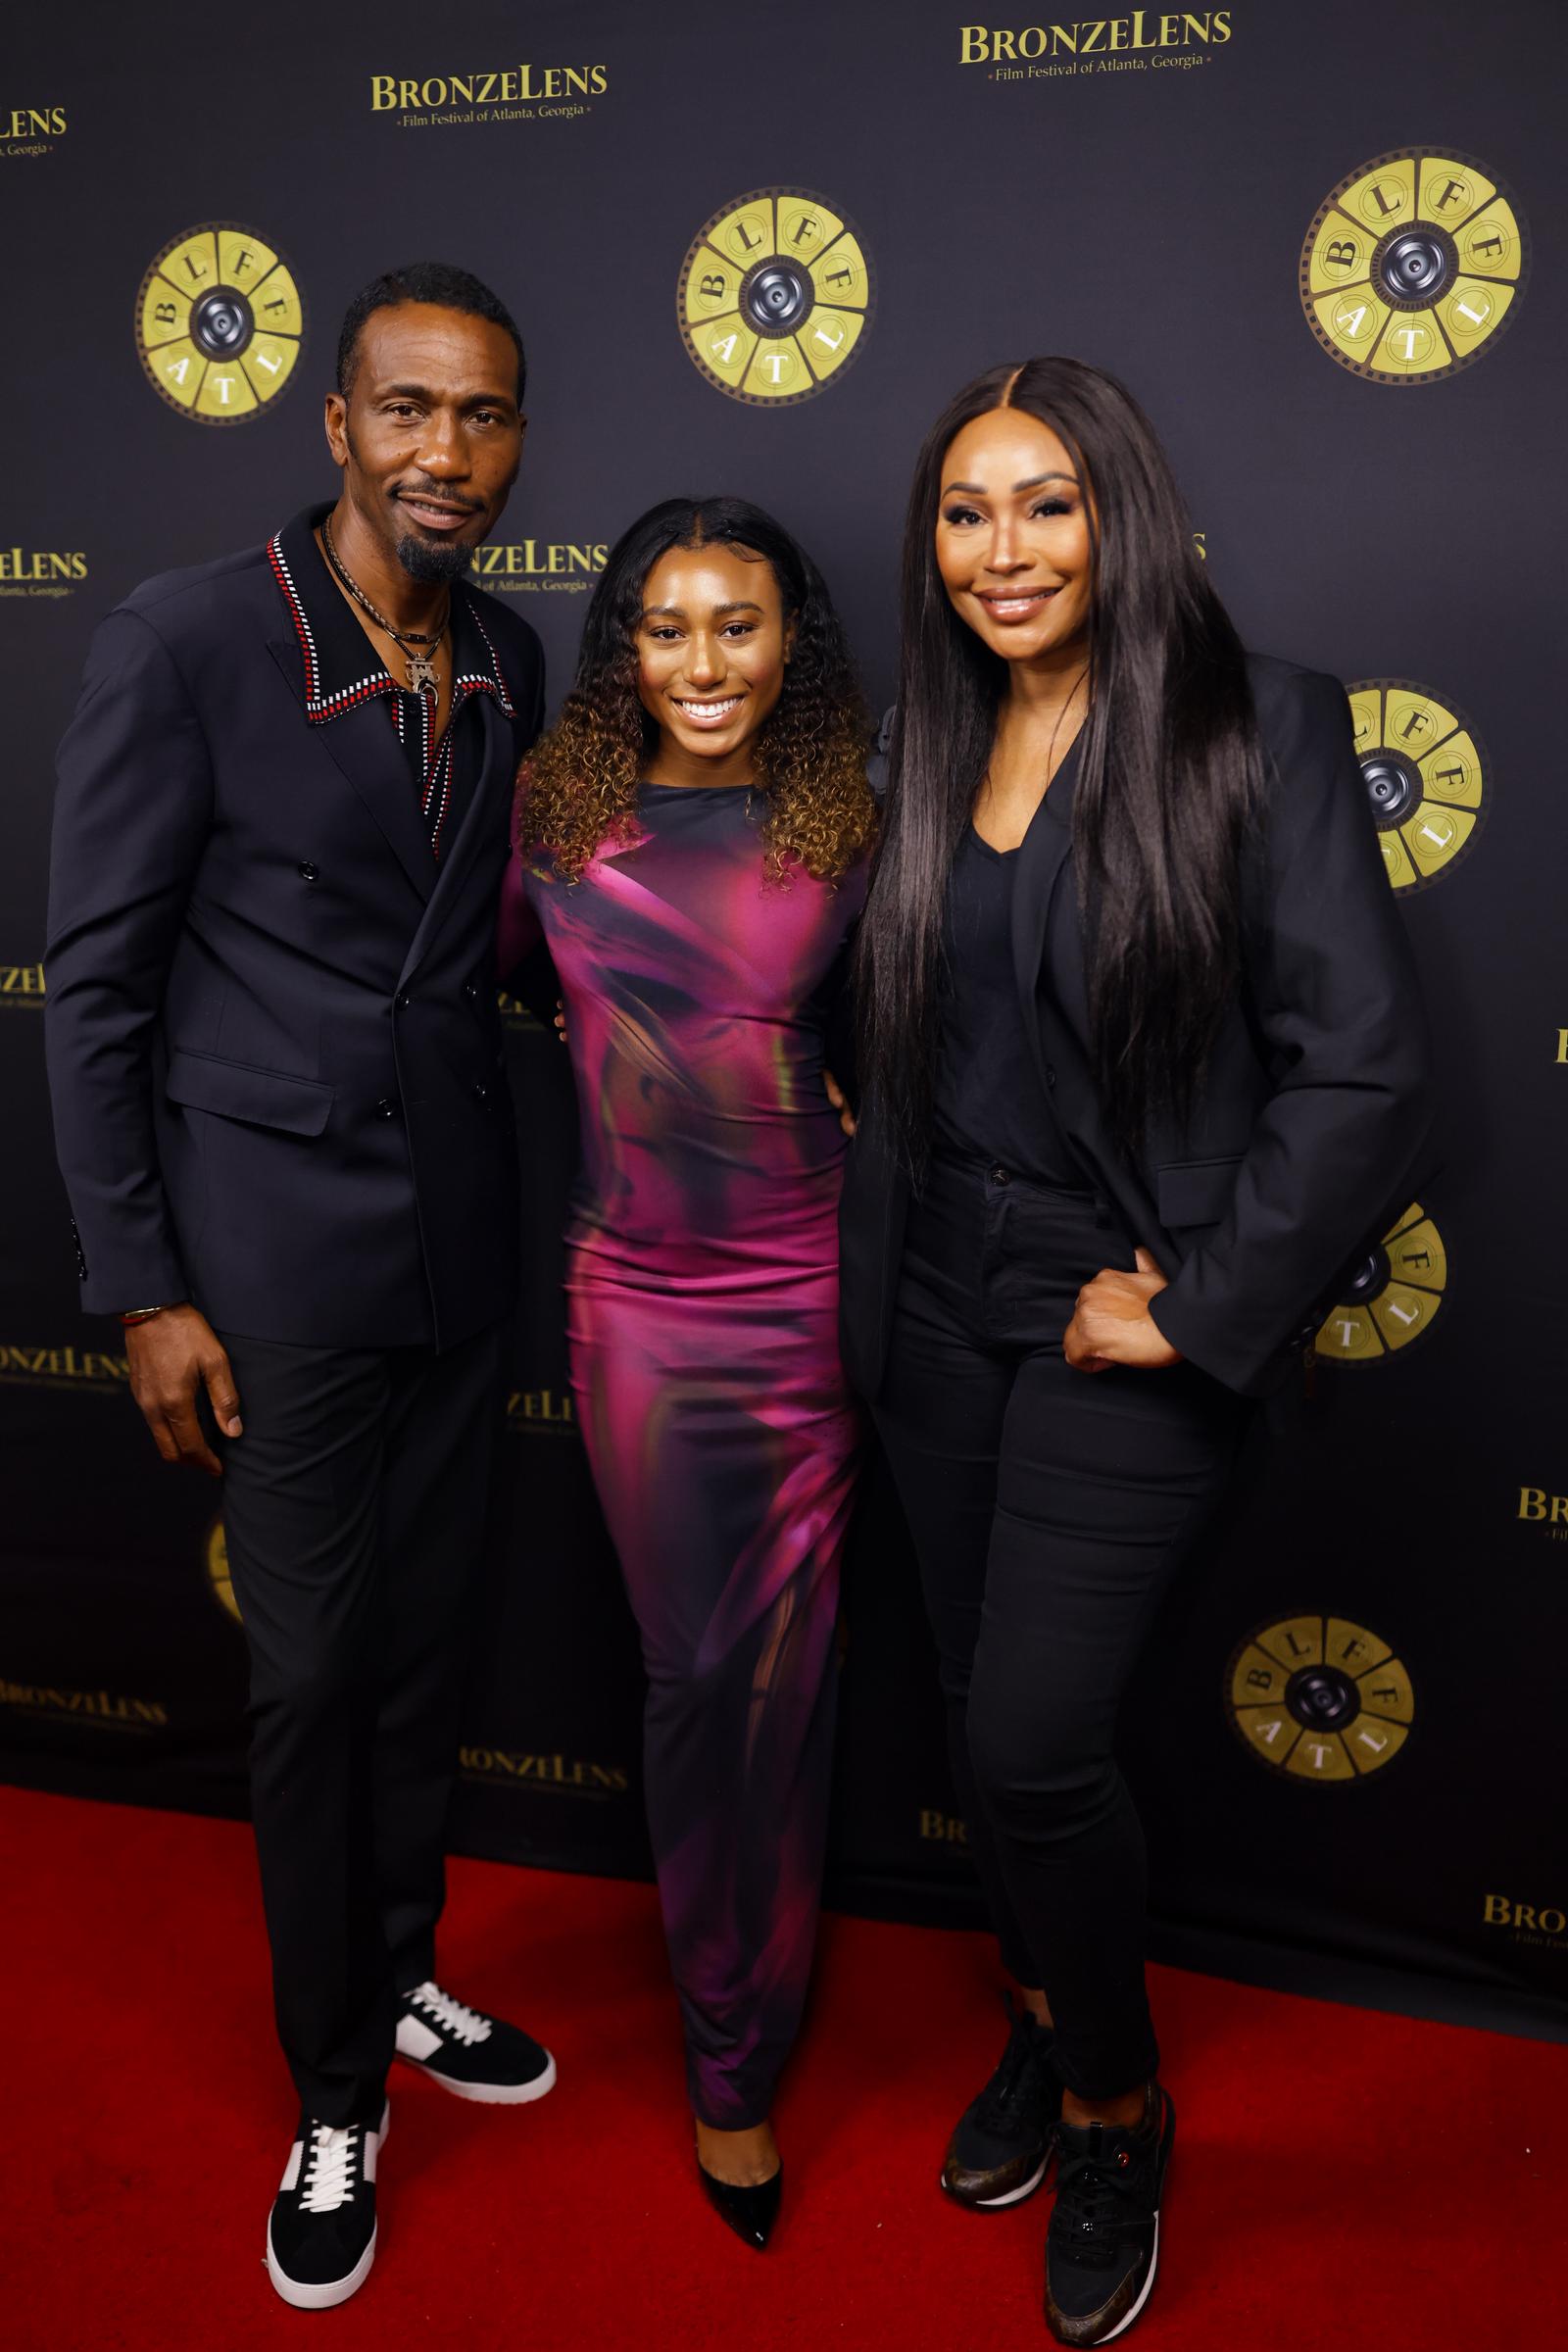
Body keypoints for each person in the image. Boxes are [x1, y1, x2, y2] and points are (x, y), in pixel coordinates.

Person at [842, 358, 1430, 2344]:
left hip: (1115, 1315)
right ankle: (1037, 2015)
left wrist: (1191, 1300)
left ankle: (1112, 2103)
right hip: (927, 1290)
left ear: (1117, 512)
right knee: (956, 1705)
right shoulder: (928, 739)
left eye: (1041, 505)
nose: (998, 551)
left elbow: (1357, 1077)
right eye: (960, 512)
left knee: (1027, 1739)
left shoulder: (1248, 730)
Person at [45, 263, 558, 2312]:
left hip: (459, 1246)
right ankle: (333, 2084)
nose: (448, 451)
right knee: (317, 1675)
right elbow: (97, 988)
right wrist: (141, 1285)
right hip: (267, 1275)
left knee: (427, 1656)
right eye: (408, 410)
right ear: (333, 424)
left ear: (519, 442)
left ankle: (404, 1965)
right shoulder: (184, 638)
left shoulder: (513, 651)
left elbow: (504, 951)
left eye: (486, 415)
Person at [500, 497, 875, 2249]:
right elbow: (483, 999)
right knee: (686, 1678)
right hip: (636, 1308)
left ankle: (753, 2050)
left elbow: (917, 1035)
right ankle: (721, 2057)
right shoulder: (559, 810)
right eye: (667, 626)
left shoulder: (851, 813)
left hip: (807, 1304)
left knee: (785, 1690)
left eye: (738, 623)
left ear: (790, 633)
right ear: (622, 645)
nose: (704, 662)